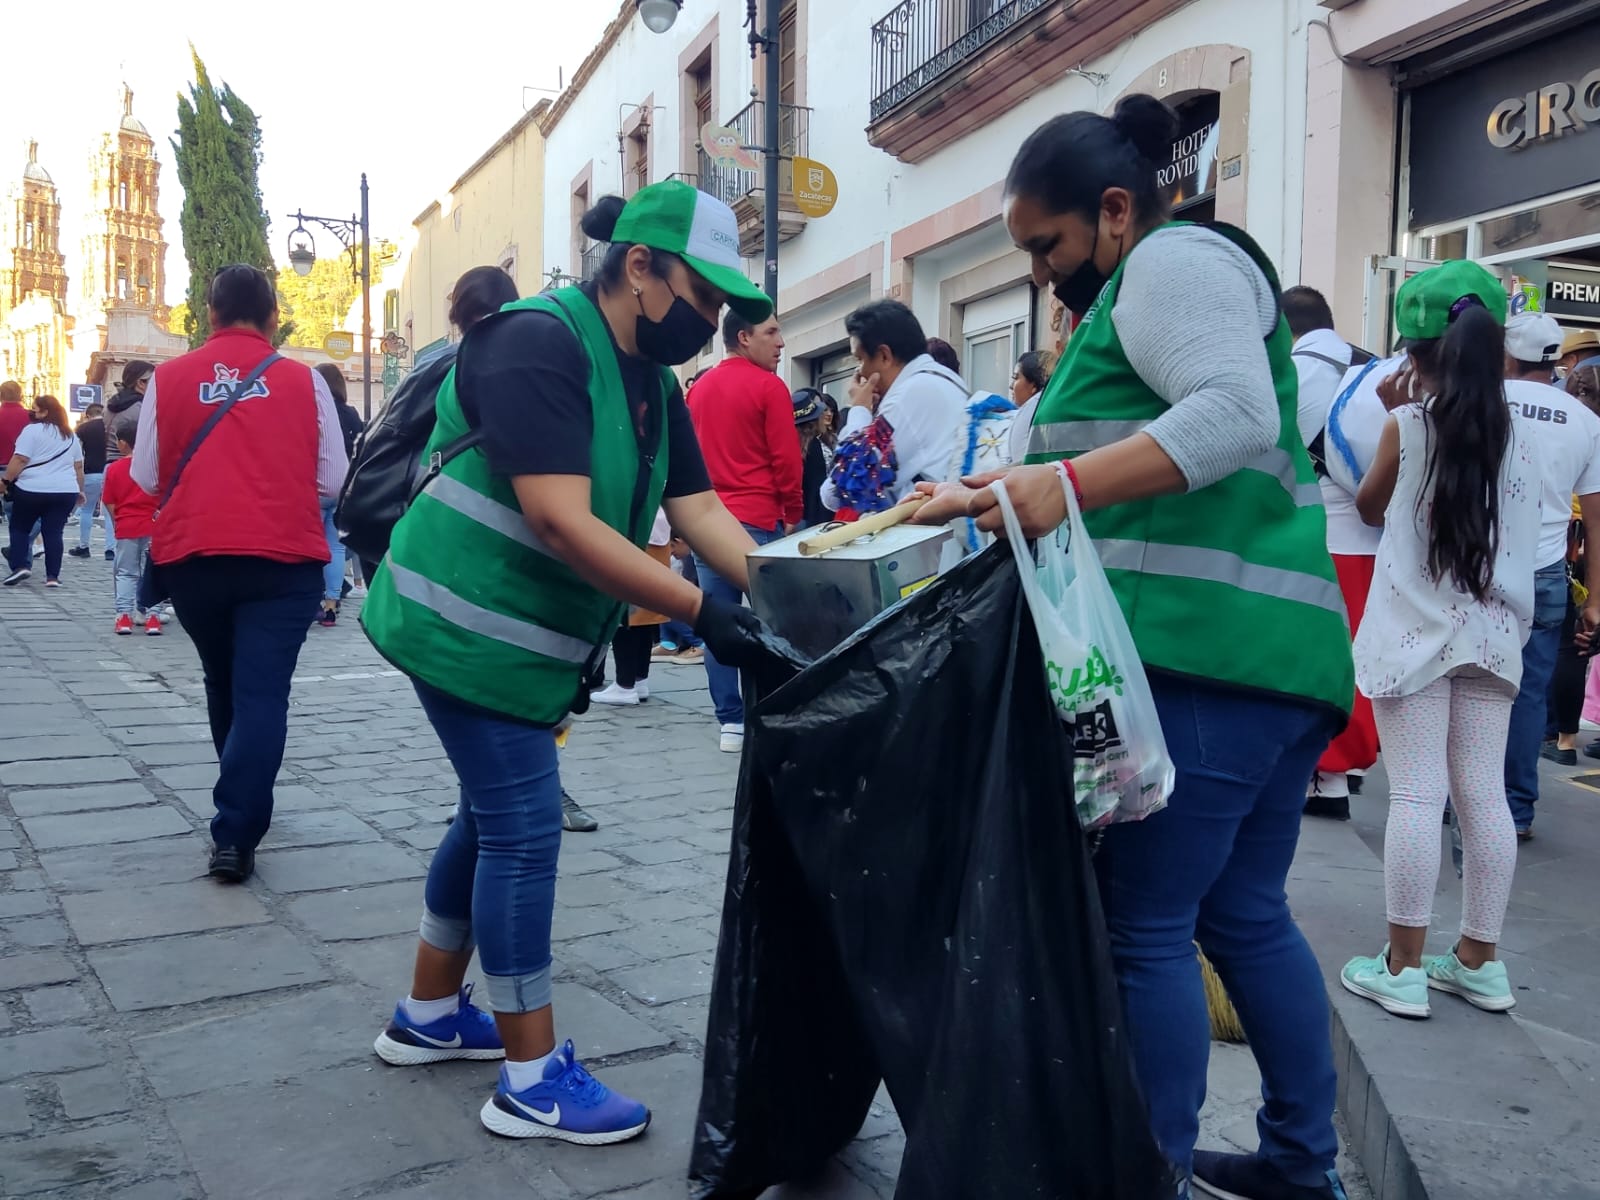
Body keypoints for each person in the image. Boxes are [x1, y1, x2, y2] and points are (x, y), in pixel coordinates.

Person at [913, 95, 1354, 1200]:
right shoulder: (1159, 284)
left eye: (1045, 246)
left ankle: (1143, 1175)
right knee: (1240, 915)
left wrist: (1051, 488)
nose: (1040, 273)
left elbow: (1232, 414)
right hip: (1275, 661)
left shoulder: (1170, 264)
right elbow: (1126, 458)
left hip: (1199, 664)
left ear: (1114, 210)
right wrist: (971, 496)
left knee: (1145, 927)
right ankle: (1301, 1166)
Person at [360, 180, 774, 1148]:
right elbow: (558, 516)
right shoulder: (539, 340)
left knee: (486, 817)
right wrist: (701, 613)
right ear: (639, 268)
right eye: (704, 299)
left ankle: (426, 1018)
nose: (712, 323)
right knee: (523, 825)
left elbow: (700, 513)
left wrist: (782, 587)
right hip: (459, 630)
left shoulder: (655, 389)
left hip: (513, 646)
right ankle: (529, 1079)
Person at [1339, 262, 1538, 1020]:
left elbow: (1367, 506)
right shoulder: (1525, 434)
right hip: (1495, 636)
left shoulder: (1409, 426)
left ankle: (1403, 965)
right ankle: (1480, 960)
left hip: (1415, 635)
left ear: (1415, 355)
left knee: (1418, 794)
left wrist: (1398, 412)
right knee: (1484, 794)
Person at [131, 264, 345, 883]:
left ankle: (239, 807)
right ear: (273, 315)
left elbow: (146, 477)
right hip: (282, 558)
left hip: (193, 557)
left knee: (221, 682)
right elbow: (332, 480)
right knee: (261, 693)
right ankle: (238, 828)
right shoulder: (303, 381)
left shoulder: (167, 379)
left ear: (210, 312)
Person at [1499, 310, 1600, 839]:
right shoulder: (1585, 421)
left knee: (1465, 687)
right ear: (1556, 359)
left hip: (1480, 568)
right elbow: (1597, 517)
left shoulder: (1481, 401)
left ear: (1507, 355)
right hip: (1544, 573)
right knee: (1526, 695)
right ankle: (1515, 810)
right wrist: (1596, 599)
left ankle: (1453, 800)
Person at [1284, 287, 1383, 817]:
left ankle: (1325, 774)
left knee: (1319, 654)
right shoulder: (1366, 364)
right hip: (1373, 537)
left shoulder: (1293, 374)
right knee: (1359, 654)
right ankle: (1346, 768)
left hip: (1318, 535)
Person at [686, 308, 803, 753]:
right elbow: (786, 459)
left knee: (716, 618)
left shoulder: (699, 390)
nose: (781, 342)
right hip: (757, 520)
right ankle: (767, 709)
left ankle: (729, 720)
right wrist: (792, 510)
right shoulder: (769, 387)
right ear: (743, 337)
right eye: (771, 332)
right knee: (771, 620)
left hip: (707, 520)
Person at [821, 299, 968, 520]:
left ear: (884, 356)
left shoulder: (908, 396)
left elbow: (839, 490)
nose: (859, 372)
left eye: (860, 359)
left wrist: (859, 410)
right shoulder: (946, 381)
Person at [3, 395, 85, 588]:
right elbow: (78, 466)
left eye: (36, 409)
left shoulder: (32, 431)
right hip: (65, 490)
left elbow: (20, 459)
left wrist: (5, 480)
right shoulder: (70, 435)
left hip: (32, 488)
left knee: (20, 527)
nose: (32, 412)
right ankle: (52, 577)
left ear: (45, 412)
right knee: (54, 532)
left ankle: (20, 565)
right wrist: (80, 490)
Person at [592, 510, 673, 705]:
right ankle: (639, 679)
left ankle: (624, 685)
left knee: (624, 612)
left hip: (631, 532)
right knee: (645, 614)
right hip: (658, 531)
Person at [102, 422, 160, 635]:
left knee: (126, 572)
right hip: (154, 525)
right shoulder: (156, 467)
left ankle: (124, 616)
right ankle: (153, 617)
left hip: (127, 524)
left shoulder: (115, 469)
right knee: (152, 572)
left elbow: (109, 501)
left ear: (123, 444)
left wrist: (117, 520)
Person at [312, 364, 356, 628]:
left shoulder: (314, 409)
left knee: (309, 548)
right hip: (343, 488)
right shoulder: (350, 414)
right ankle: (331, 604)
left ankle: (311, 600)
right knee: (336, 547)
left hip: (315, 486)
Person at [105, 359, 154, 562]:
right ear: (140, 383)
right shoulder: (142, 407)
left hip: (111, 463)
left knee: (115, 509)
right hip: (135, 461)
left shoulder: (110, 406)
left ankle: (117, 551)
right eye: (151, 381)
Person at [0, 381, 38, 553]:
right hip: (30, 468)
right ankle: (22, 557)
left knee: (13, 516)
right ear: (21, 395)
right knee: (35, 513)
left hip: (4, 471)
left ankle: (20, 557)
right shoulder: (31, 417)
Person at [70, 403, 109, 558]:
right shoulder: (111, 424)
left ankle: (84, 546)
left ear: (88, 415)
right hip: (111, 469)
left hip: (91, 471)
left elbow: (77, 455)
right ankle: (110, 550)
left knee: (86, 510)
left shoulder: (83, 429)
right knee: (109, 512)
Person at [792, 387, 834, 529]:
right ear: (813, 420)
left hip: (799, 517)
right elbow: (817, 488)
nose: (825, 415)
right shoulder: (814, 446)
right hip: (814, 519)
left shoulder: (795, 443)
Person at [1005, 349, 1056, 464]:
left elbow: (1019, 464)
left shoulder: (1031, 411)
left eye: (1016, 378)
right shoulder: (1046, 405)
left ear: (1033, 385)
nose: (1011, 386)